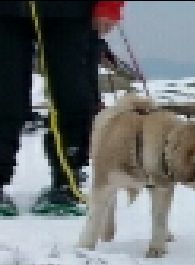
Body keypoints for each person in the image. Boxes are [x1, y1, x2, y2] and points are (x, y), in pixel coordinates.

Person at [0, 0, 123, 217]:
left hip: (70, 12)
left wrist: (108, 5)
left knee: (72, 95)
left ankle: (67, 179)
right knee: (5, 94)